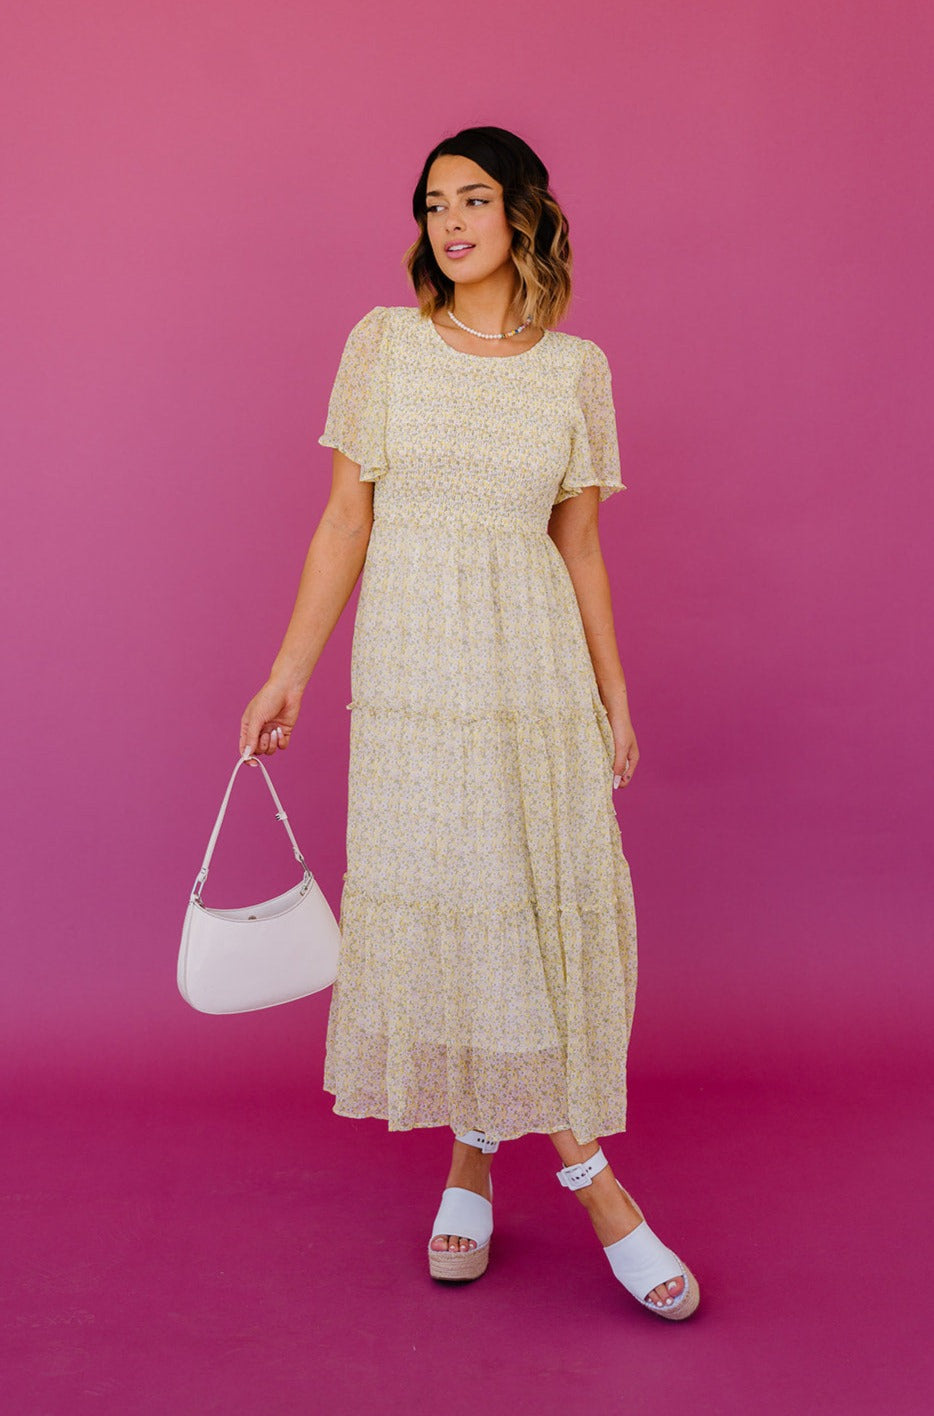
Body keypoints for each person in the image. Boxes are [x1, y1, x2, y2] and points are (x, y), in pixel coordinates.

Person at [239, 126, 699, 1320]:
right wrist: (288, 672)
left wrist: (613, 691)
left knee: (523, 905)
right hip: (417, 670)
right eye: (434, 203)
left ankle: (471, 1164)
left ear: (522, 214)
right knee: (465, 898)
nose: (450, 222)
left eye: (475, 199)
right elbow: (346, 520)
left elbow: (579, 546)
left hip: (532, 667)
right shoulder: (383, 344)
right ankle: (599, 1189)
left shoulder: (576, 369)